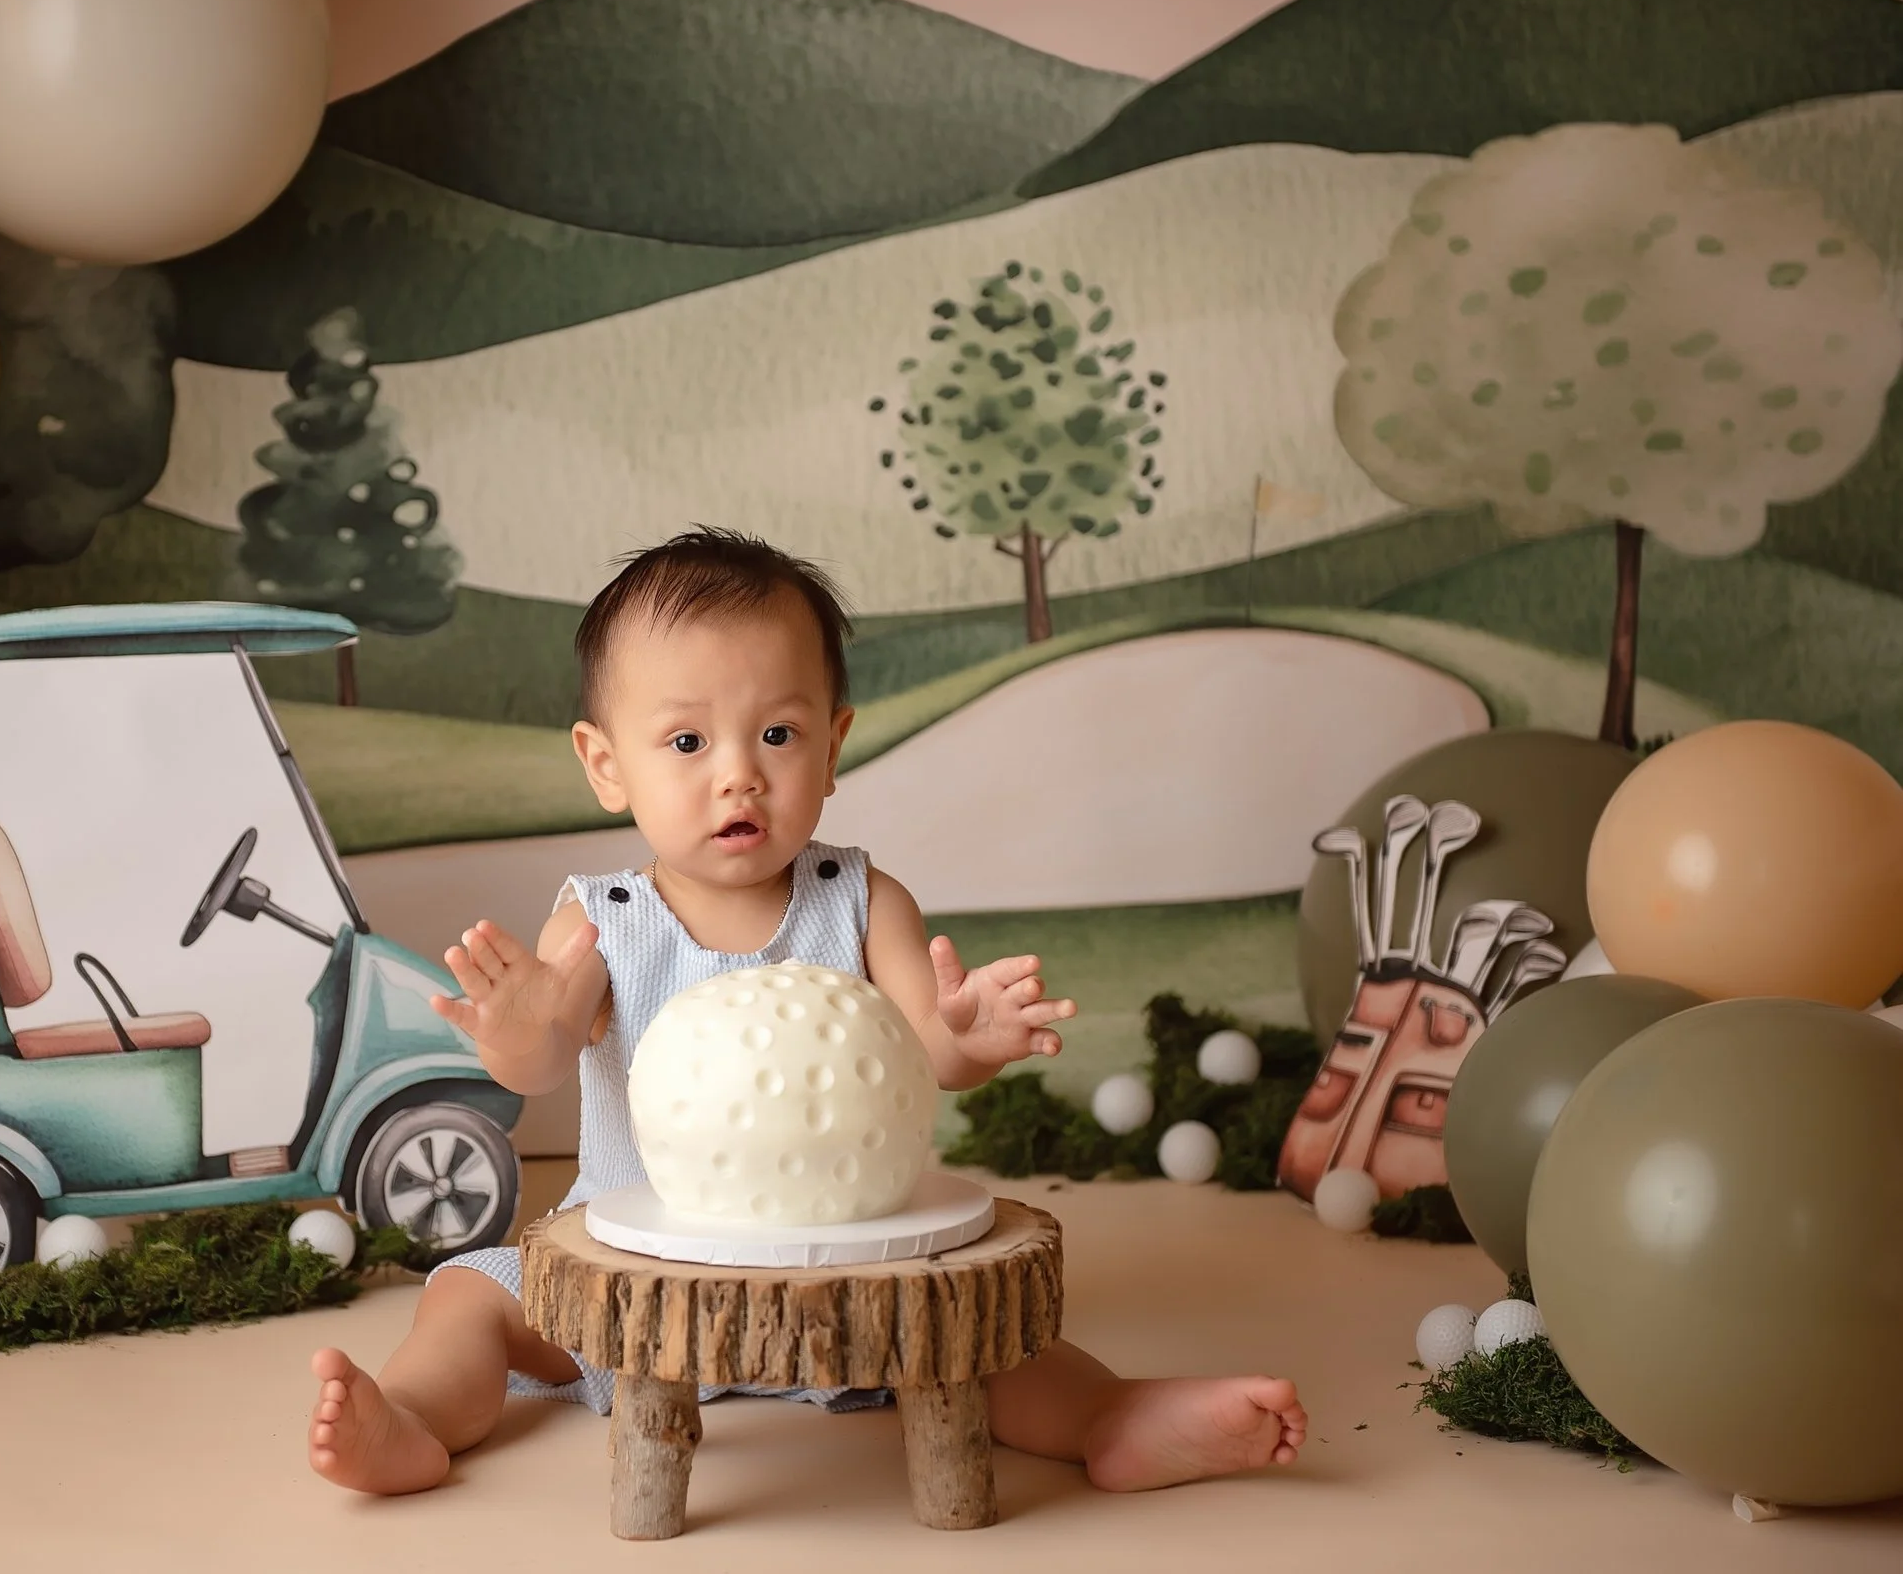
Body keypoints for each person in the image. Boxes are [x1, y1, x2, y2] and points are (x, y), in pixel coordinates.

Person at [307, 528, 1308, 1495]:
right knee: (469, 1297)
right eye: (687, 739)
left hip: (845, 1267)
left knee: (982, 1339)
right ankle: (414, 1416)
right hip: (632, 1273)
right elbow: (544, 1053)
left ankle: (1109, 1419)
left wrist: (964, 1036)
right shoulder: (603, 918)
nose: (738, 771)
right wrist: (517, 1025)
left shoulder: (862, 901)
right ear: (606, 763)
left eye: (777, 733)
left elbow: (926, 1043)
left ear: (833, 746)